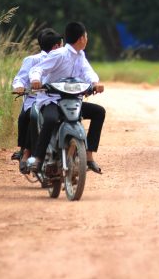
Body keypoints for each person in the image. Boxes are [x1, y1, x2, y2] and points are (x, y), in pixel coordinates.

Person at [27, 21, 106, 174]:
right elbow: (38, 69)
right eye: (86, 36)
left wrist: (95, 83)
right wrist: (36, 80)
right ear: (81, 38)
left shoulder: (80, 55)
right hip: (52, 100)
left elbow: (88, 72)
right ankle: (38, 158)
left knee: (99, 112)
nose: (87, 39)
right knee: (50, 119)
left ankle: (89, 156)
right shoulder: (59, 54)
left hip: (72, 100)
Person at [11, 28, 63, 173]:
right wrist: (19, 87)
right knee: (30, 116)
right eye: (62, 44)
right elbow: (20, 78)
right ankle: (26, 152)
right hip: (34, 99)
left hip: (55, 99)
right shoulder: (33, 60)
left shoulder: (63, 59)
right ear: (57, 46)